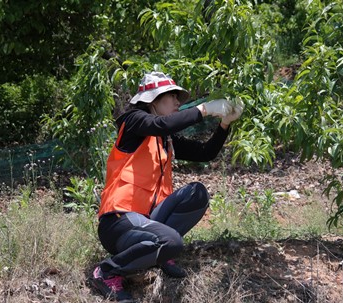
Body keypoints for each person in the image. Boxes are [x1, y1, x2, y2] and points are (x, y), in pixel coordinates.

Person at [90, 71, 243, 302]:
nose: (178, 102)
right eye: (171, 96)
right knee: (171, 241)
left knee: (196, 193)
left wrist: (224, 125)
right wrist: (204, 109)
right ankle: (106, 271)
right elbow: (160, 124)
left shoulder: (165, 138)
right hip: (119, 223)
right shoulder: (133, 121)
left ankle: (159, 254)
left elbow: (206, 153)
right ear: (153, 100)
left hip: (148, 220)